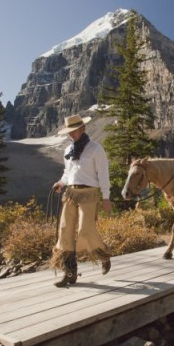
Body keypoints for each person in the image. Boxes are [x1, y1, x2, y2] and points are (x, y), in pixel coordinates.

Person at [51, 114, 112, 286]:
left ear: (83, 128)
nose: (71, 134)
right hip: (71, 193)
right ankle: (70, 273)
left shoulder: (95, 149)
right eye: (69, 132)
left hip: (89, 193)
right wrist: (61, 183)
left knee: (86, 230)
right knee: (65, 231)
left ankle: (104, 255)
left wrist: (106, 197)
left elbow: (103, 175)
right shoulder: (68, 150)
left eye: (74, 131)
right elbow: (67, 173)